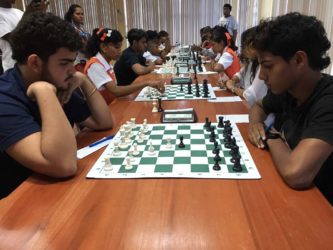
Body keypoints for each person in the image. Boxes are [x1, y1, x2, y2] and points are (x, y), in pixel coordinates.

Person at [0, 12, 113, 199]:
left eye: (73, 62)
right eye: (64, 63)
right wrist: (44, 91)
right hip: (15, 207)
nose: (72, 70)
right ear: (35, 62)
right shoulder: (5, 99)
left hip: (52, 192)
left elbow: (103, 122)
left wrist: (84, 81)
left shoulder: (58, 81)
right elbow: (64, 165)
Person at [248, 12, 333, 205]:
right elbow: (258, 106)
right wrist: (256, 125)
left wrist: (270, 134)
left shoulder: (328, 101)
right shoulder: (289, 89)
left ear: (299, 60)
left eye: (268, 66)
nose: (261, 76)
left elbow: (297, 173)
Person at [84, 28, 164, 104]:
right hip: (103, 108)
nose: (119, 51)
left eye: (120, 47)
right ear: (104, 47)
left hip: (112, 103)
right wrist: (146, 83)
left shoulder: (106, 63)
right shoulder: (95, 65)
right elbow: (116, 91)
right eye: (116, 47)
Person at [0, 0, 48, 72]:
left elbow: (34, 32)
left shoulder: (18, 12)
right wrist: (27, 14)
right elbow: (14, 39)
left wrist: (40, 13)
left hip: (32, 65)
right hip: (14, 69)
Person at [224, 27, 267, 106]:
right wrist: (232, 81)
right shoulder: (251, 61)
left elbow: (250, 96)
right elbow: (240, 74)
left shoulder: (263, 65)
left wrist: (233, 88)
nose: (243, 50)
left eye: (244, 47)